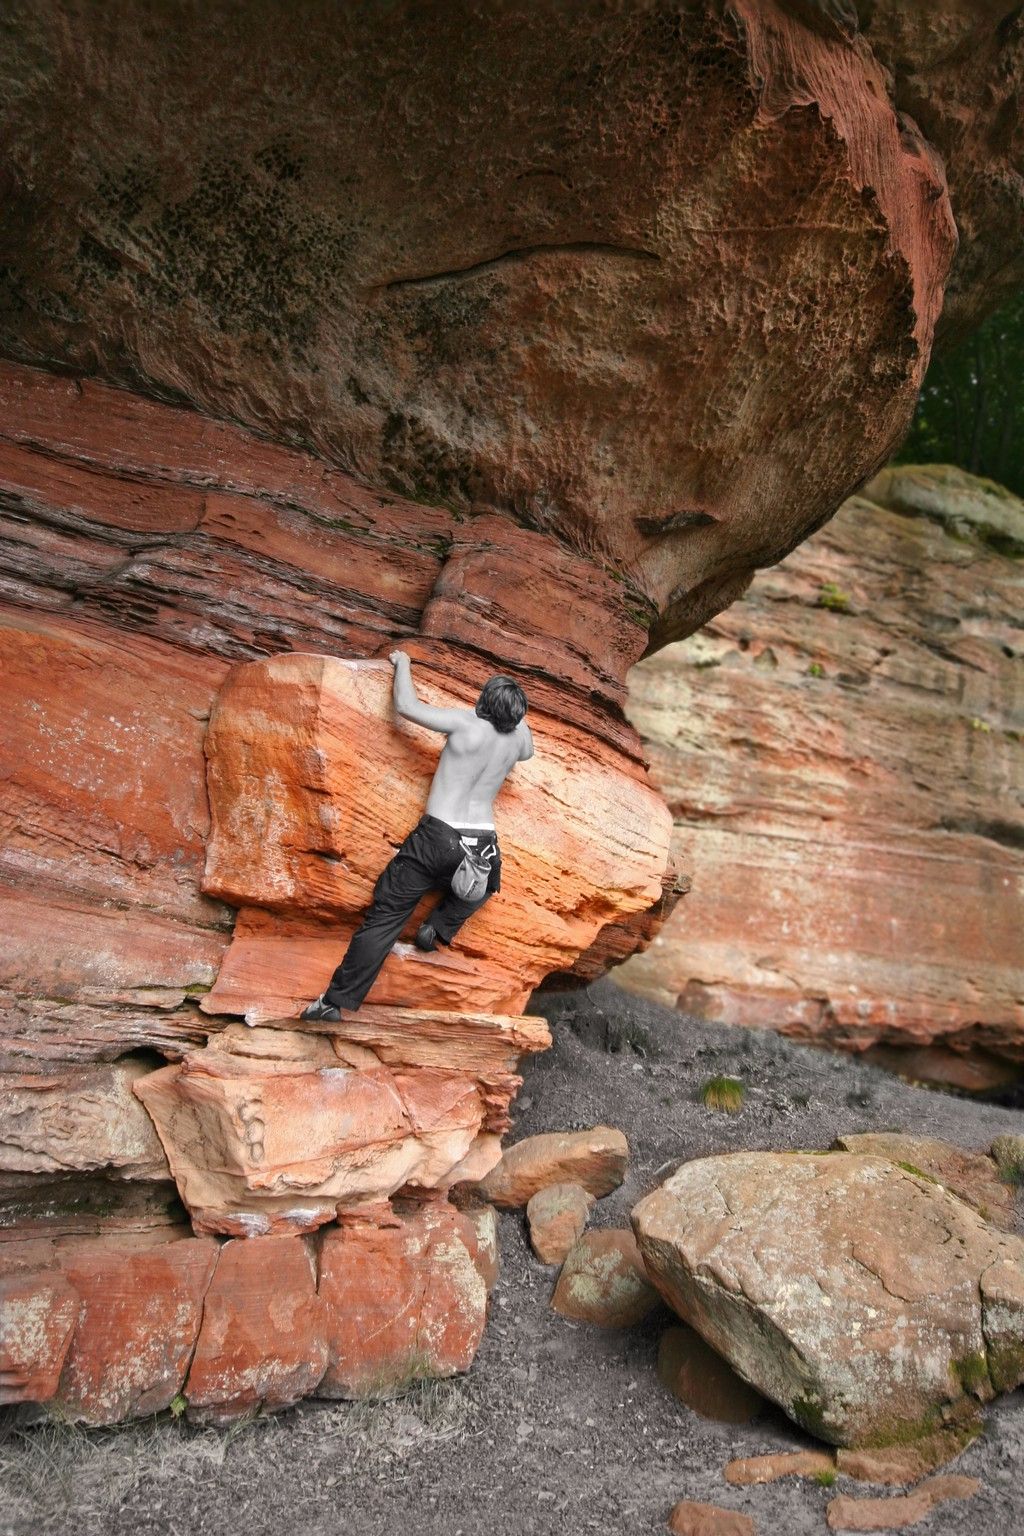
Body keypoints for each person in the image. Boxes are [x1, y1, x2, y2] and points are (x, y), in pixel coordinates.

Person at [300, 650, 533, 1022]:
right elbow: (528, 744)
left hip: (437, 837)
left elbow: (407, 706)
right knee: (488, 883)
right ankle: (438, 928)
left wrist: (403, 662)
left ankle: (333, 1003)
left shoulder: (464, 724)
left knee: (386, 917)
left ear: (482, 703)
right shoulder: (518, 742)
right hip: (481, 842)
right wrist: (515, 717)